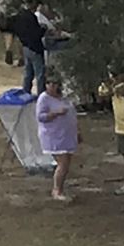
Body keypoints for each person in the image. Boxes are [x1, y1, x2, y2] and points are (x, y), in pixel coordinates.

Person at [34, 74, 79, 202]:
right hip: (53, 135)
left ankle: (60, 188)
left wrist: (77, 131)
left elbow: (73, 113)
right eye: (49, 84)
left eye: (54, 84)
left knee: (66, 163)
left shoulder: (64, 97)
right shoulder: (44, 98)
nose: (52, 87)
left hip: (67, 134)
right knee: (62, 163)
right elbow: (40, 117)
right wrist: (56, 113)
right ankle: (57, 190)